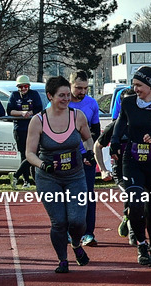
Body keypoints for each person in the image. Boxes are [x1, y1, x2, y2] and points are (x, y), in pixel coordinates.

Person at [25, 76, 95, 273]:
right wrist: (42, 164)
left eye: (67, 95)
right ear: (50, 96)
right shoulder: (38, 120)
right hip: (49, 178)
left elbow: (88, 139)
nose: (66, 99)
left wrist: (89, 151)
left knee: (78, 221)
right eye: (61, 96)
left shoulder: (77, 116)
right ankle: (62, 260)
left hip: (75, 176)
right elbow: (29, 153)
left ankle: (76, 244)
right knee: (59, 222)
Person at [113, 67, 151, 267]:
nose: (135, 88)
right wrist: (114, 142)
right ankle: (142, 245)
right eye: (134, 84)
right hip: (132, 161)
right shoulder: (128, 102)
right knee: (136, 204)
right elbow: (120, 123)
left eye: (139, 85)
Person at [68, 70, 101, 246]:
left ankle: (89, 233)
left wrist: (90, 152)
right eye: (78, 88)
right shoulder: (62, 102)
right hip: (66, 156)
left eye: (85, 88)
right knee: (68, 196)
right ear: (70, 85)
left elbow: (95, 130)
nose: (82, 92)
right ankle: (68, 231)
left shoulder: (92, 104)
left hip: (85, 155)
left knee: (88, 195)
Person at [8, 74, 43, 187]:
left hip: (33, 128)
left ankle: (20, 176)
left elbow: (39, 108)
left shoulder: (34, 94)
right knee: (24, 154)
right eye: (21, 86)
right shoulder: (14, 95)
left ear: (29, 86)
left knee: (34, 153)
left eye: (25, 86)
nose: (23, 89)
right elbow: (9, 111)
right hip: (20, 129)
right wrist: (21, 113)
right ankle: (26, 180)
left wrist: (30, 112)